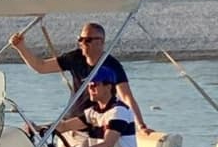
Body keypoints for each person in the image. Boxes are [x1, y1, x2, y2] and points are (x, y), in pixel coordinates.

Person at [8, 21, 151, 133]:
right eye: (80, 39)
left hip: (93, 125)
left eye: (87, 40)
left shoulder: (111, 65)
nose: (82, 44)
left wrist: (141, 125)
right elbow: (41, 67)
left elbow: (126, 97)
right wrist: (21, 47)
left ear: (100, 42)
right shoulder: (75, 57)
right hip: (70, 121)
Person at [52, 67, 139, 147]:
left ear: (108, 86)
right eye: (88, 86)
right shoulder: (92, 112)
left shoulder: (118, 111)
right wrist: (38, 128)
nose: (90, 89)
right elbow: (64, 126)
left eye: (94, 85)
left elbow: (107, 146)